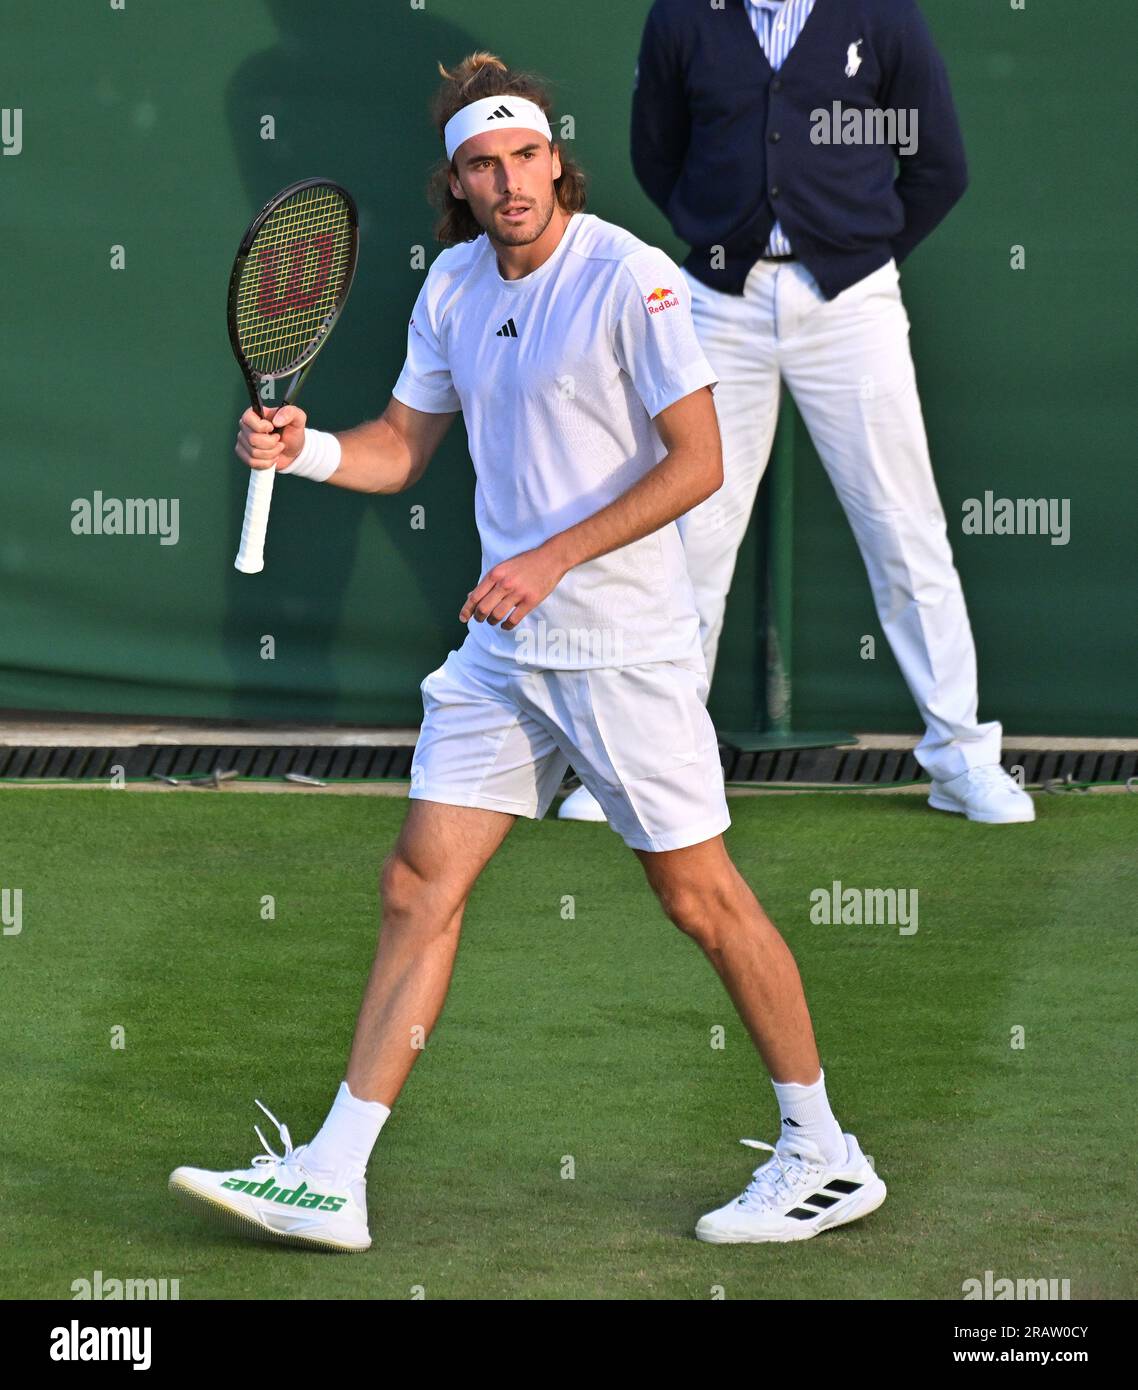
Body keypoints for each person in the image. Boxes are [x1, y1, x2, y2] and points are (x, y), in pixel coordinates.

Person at [168, 51, 885, 1252]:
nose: (509, 182)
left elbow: (697, 463)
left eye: (525, 157)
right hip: (504, 652)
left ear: (555, 158)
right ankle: (333, 1172)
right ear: (456, 183)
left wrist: (552, 556)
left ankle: (824, 1152)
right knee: (416, 884)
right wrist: (304, 451)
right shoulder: (451, 284)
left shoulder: (631, 278)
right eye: (482, 166)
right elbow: (400, 443)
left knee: (697, 897)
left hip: (618, 645)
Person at [560, 0, 1034, 827]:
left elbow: (938, 164)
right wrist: (718, 242)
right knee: (686, 536)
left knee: (905, 532)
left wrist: (856, 254)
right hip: (715, 303)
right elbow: (657, 152)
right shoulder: (682, 16)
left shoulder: (882, 15)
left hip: (852, 304)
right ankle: (648, 768)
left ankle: (962, 760)